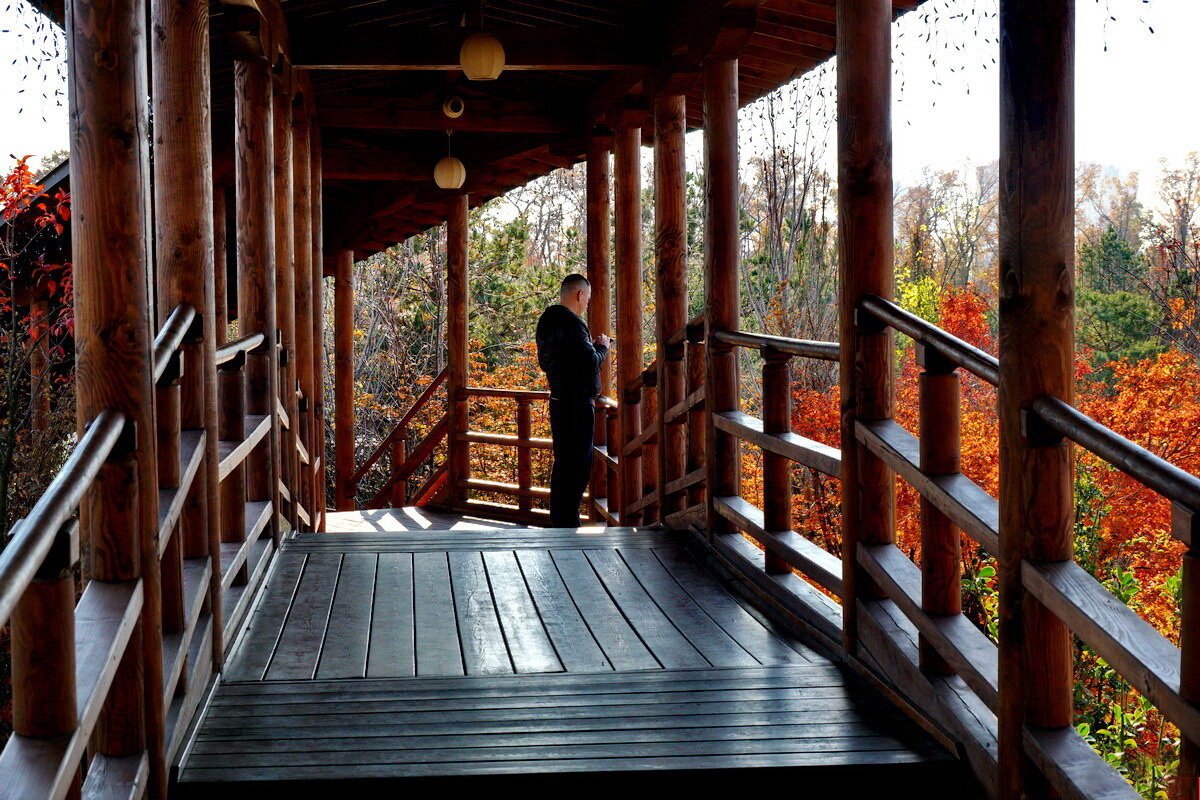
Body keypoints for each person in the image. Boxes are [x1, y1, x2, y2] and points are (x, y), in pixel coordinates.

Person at [536, 274, 610, 527]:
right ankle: (568, 523)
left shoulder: (546, 321)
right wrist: (602, 347)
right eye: (587, 298)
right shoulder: (572, 323)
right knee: (578, 465)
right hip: (577, 405)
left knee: (564, 463)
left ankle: (560, 520)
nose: (587, 303)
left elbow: (547, 362)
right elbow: (589, 361)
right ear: (580, 294)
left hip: (558, 400)